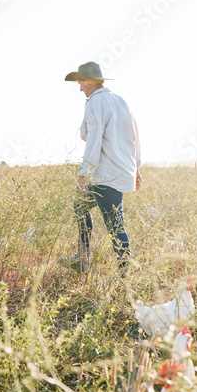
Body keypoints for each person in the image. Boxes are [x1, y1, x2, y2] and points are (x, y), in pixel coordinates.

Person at [62, 61, 141, 273]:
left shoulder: (95, 102)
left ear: (89, 81)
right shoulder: (120, 101)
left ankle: (126, 274)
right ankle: (82, 258)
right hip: (120, 171)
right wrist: (137, 167)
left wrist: (83, 174)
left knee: (116, 226)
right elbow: (133, 136)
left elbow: (94, 139)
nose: (79, 88)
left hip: (106, 175)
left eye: (80, 82)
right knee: (80, 206)